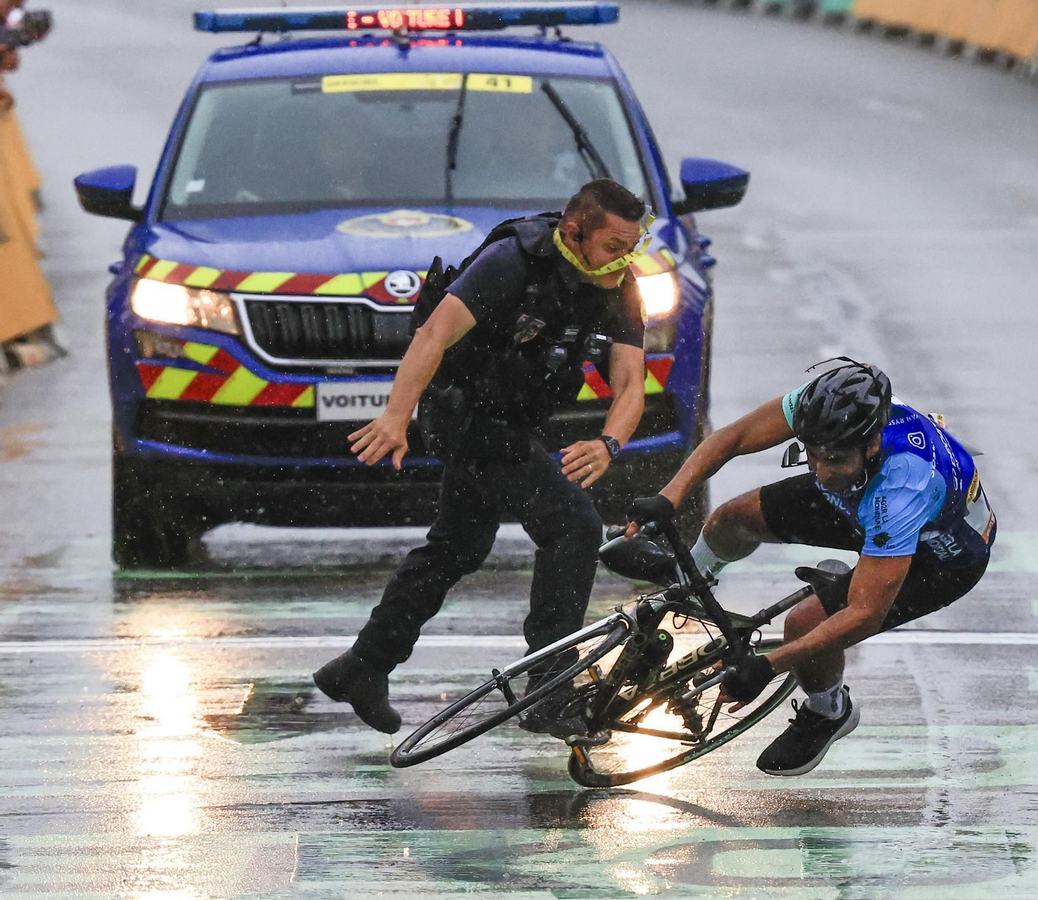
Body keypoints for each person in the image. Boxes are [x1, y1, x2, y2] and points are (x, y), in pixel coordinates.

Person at [314, 179, 651, 733]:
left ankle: (362, 666)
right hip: (464, 414)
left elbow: (630, 382)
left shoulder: (616, 283)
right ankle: (550, 683)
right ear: (573, 232)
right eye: (614, 247)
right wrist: (396, 416)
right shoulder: (511, 261)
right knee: (573, 526)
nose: (624, 261)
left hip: (516, 420)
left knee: (458, 546)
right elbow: (431, 337)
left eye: (632, 248)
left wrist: (609, 442)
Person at [602, 359, 997, 776]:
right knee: (731, 519)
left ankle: (829, 711)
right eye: (812, 454)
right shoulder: (827, 412)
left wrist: (769, 666)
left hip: (938, 555)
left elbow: (864, 614)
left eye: (834, 459)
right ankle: (682, 585)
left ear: (873, 444)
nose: (820, 472)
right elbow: (735, 437)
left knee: (805, 625)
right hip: (862, 498)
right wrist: (669, 497)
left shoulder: (904, 486)